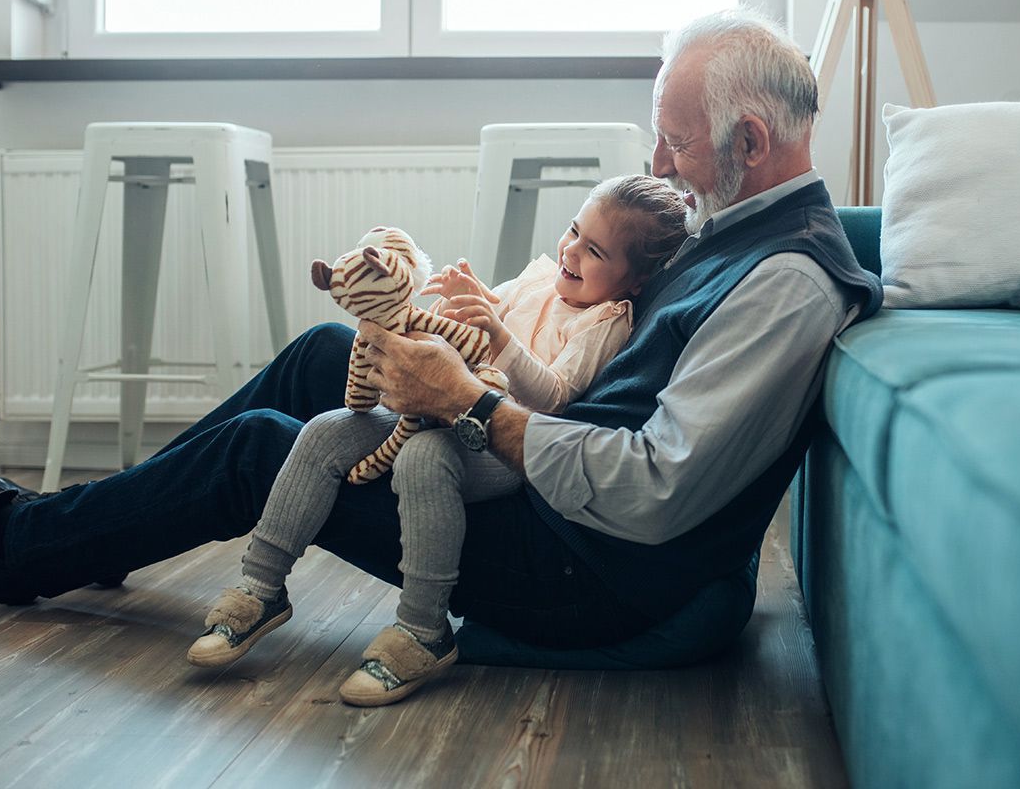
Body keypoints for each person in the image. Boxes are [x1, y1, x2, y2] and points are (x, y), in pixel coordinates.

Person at [0, 5, 883, 690]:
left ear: (750, 142)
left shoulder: (785, 284)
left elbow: (654, 489)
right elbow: (599, 361)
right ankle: (92, 528)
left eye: (672, 143)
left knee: (269, 447)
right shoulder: (735, 221)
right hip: (552, 492)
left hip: (587, 569)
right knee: (325, 352)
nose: (656, 164)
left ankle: (16, 550)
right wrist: (472, 345)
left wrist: (473, 404)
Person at [186, 175, 688, 706]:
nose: (572, 252)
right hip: (440, 410)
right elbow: (484, 319)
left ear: (634, 281)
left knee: (423, 458)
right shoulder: (544, 275)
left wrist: (497, 333)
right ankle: (260, 587)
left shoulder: (605, 321)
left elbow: (555, 397)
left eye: (595, 252)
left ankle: (423, 629)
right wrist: (468, 301)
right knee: (324, 432)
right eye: (573, 231)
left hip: (502, 443)